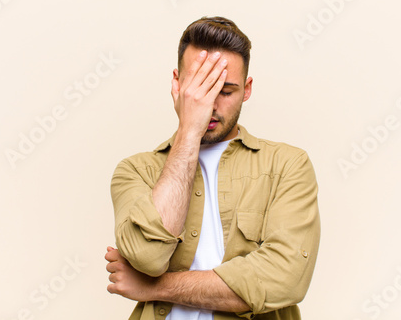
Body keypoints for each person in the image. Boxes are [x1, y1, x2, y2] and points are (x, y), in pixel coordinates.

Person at [105, 16, 321, 320]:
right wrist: (189, 132)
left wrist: (154, 287)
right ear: (177, 85)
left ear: (246, 90)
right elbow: (147, 257)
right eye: (200, 89)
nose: (210, 105)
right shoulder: (136, 170)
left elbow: (284, 279)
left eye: (225, 90)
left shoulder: (287, 165)